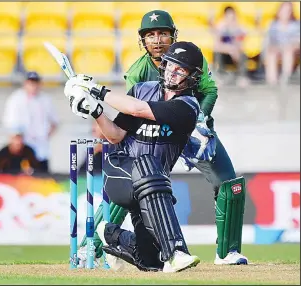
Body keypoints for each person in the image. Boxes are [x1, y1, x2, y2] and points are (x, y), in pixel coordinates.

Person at [78, 9, 248, 266]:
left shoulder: (190, 57)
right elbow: (131, 109)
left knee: (229, 181)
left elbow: (209, 91)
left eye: (163, 34)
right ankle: (91, 245)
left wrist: (199, 119)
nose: (157, 40)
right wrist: (97, 109)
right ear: (143, 40)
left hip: (193, 130)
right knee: (137, 182)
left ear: (173, 35)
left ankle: (228, 252)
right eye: (151, 35)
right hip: (153, 134)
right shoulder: (137, 73)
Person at [64, 41, 204, 272]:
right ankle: (176, 252)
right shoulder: (142, 89)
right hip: (120, 172)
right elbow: (115, 135)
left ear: (192, 76)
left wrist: (96, 90)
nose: (173, 71)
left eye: (181, 69)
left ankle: (111, 235)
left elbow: (138, 110)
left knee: (150, 262)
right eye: (171, 65)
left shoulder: (187, 107)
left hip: (151, 188)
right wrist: (95, 112)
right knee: (147, 165)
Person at [2, 71, 59, 173]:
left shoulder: (46, 99)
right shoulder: (15, 99)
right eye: (30, 83)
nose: (33, 86)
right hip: (24, 150)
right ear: (25, 83)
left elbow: (55, 122)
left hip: (42, 149)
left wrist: (45, 136)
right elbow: (10, 125)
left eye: (35, 83)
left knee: (43, 177)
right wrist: (18, 143)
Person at [263, 2, 300, 85]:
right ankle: (272, 82)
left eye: (288, 11)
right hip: (278, 49)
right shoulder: (273, 25)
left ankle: (286, 78)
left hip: (293, 50)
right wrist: (275, 48)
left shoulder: (296, 25)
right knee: (271, 54)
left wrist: (291, 46)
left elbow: (298, 41)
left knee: (288, 51)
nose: (285, 13)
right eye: (284, 10)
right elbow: (270, 41)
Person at [213, 6, 249, 87]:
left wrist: (235, 47)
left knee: (243, 54)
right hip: (225, 54)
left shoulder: (238, 27)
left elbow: (241, 44)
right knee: (217, 54)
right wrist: (230, 49)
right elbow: (217, 46)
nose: (230, 19)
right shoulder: (220, 27)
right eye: (228, 16)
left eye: (232, 17)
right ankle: (220, 76)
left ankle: (242, 77)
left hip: (236, 55)